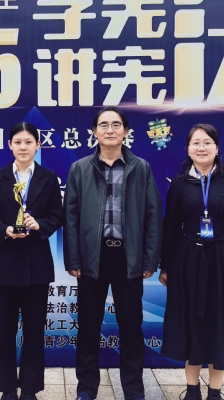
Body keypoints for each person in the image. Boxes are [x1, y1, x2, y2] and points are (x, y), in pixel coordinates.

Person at [64, 107, 163, 400]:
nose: (110, 129)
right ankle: (86, 389)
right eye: (104, 125)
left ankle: (133, 390)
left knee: (131, 328)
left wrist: (149, 258)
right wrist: (73, 258)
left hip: (128, 259)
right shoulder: (79, 168)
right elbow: (70, 217)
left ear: (125, 132)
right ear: (94, 132)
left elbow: (152, 215)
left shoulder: (141, 167)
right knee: (88, 328)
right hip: (91, 259)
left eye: (116, 124)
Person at [159, 124, 224, 400]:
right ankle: (192, 390)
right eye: (196, 143)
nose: (201, 148)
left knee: (220, 325)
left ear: (217, 148)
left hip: (222, 259)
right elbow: (171, 227)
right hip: (187, 259)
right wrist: (165, 265)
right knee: (190, 323)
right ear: (188, 149)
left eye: (207, 142)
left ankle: (215, 392)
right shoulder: (180, 183)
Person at [0, 122, 64, 400]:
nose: (23, 147)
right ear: (10, 145)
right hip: (5, 264)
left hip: (37, 266)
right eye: (18, 142)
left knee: (34, 332)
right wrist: (4, 229)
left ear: (38, 145)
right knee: (5, 332)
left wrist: (41, 225)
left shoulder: (48, 178)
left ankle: (29, 389)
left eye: (29, 142)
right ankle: (7, 388)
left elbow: (57, 215)